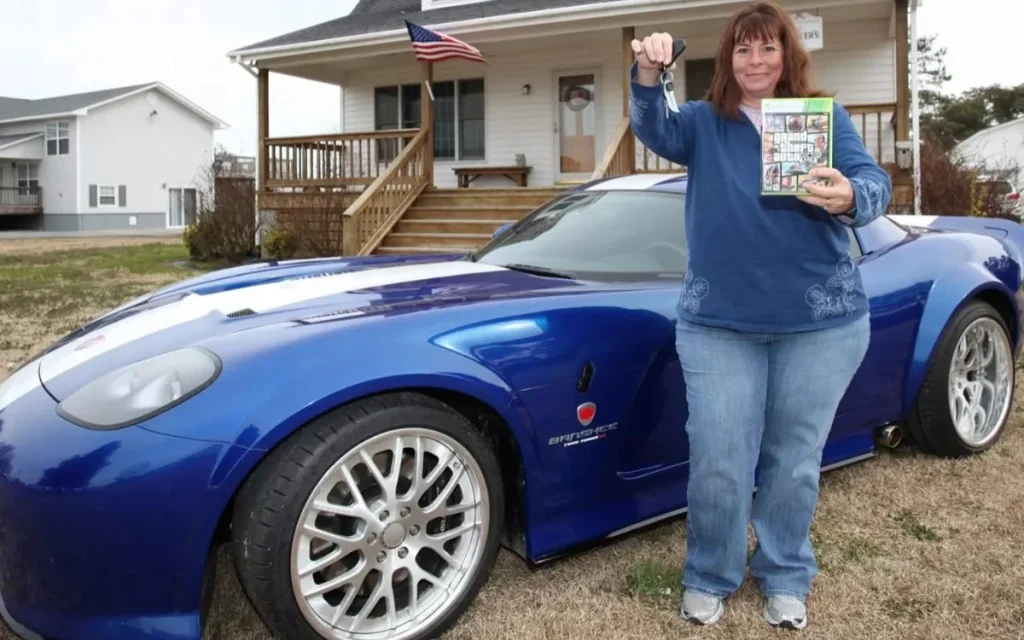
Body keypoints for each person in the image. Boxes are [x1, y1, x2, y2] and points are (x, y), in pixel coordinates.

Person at [628, 0, 892, 631]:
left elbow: (873, 182)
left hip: (820, 324)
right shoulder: (699, 122)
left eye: (767, 47)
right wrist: (646, 70)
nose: (755, 59)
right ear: (728, 59)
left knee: (794, 460)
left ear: (786, 56)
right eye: (743, 49)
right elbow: (651, 125)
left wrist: (851, 194)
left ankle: (784, 573)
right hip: (719, 323)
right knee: (720, 457)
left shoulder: (820, 117)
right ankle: (710, 574)